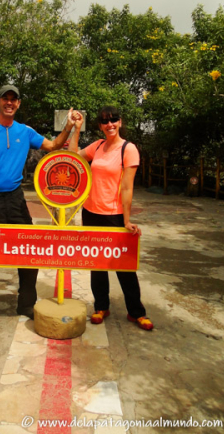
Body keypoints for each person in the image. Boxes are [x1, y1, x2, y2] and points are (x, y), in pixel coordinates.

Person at [0, 85, 82, 325]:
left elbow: (54, 146)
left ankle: (25, 303)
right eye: (5, 98)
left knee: (29, 250)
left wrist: (69, 126)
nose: (9, 103)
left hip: (15, 199)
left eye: (13, 100)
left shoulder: (25, 131)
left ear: (18, 104)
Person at [68, 105, 153, 331]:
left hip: (114, 215)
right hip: (91, 212)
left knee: (124, 266)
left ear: (120, 122)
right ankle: (101, 306)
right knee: (97, 264)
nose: (110, 124)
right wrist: (76, 129)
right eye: (105, 121)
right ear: (100, 126)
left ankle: (136, 312)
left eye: (114, 120)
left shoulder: (129, 149)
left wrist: (127, 220)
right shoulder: (97, 146)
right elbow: (73, 157)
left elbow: (127, 187)